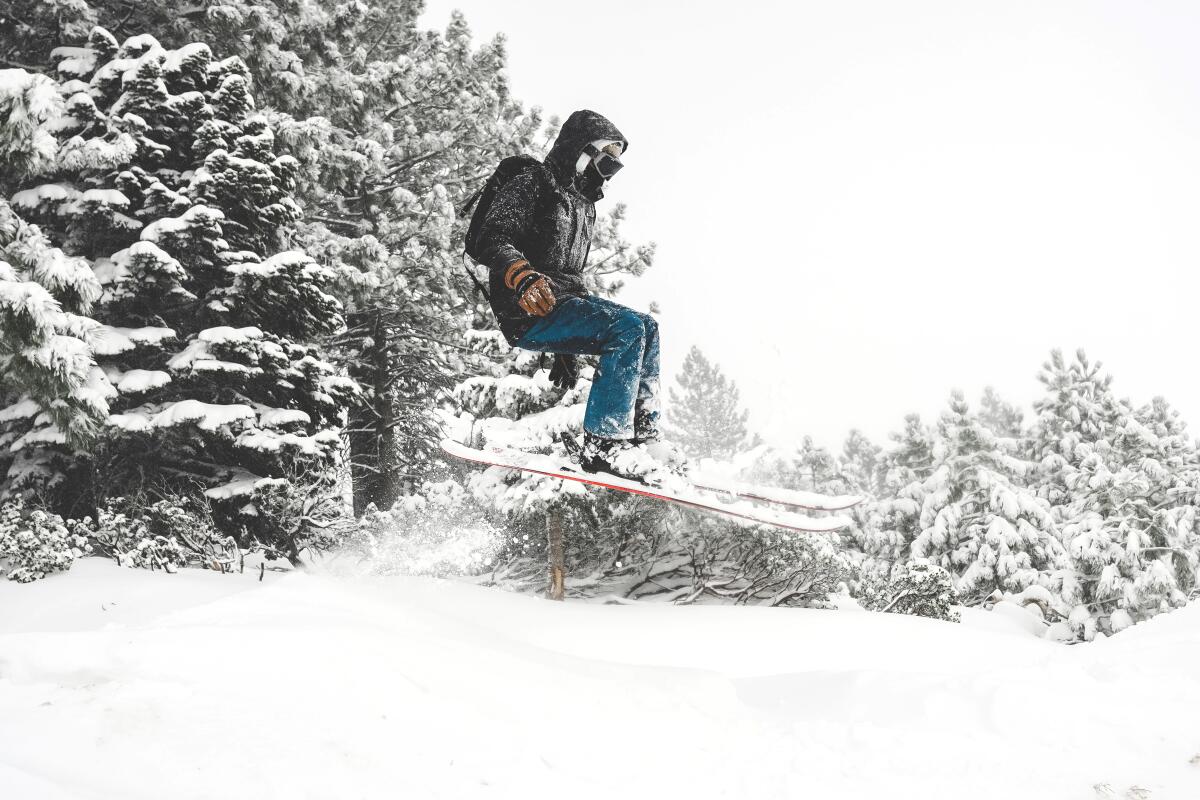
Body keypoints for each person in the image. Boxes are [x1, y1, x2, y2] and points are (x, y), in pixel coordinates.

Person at [474, 109, 680, 481]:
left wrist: (567, 349)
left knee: (646, 326)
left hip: (559, 303)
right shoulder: (534, 181)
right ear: (579, 151)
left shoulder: (583, 207)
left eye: (614, 167)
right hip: (525, 305)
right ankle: (603, 445)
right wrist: (522, 277)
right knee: (628, 328)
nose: (605, 173)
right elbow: (488, 238)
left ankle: (645, 438)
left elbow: (571, 279)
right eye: (605, 162)